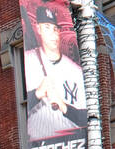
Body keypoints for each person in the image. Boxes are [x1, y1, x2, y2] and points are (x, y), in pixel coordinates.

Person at [25, 3, 85, 138]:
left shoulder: (75, 70)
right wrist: (37, 94)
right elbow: (11, 110)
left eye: (55, 29)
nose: (52, 34)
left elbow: (86, 117)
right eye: (47, 28)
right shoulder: (28, 60)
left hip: (74, 148)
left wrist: (63, 106)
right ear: (38, 29)